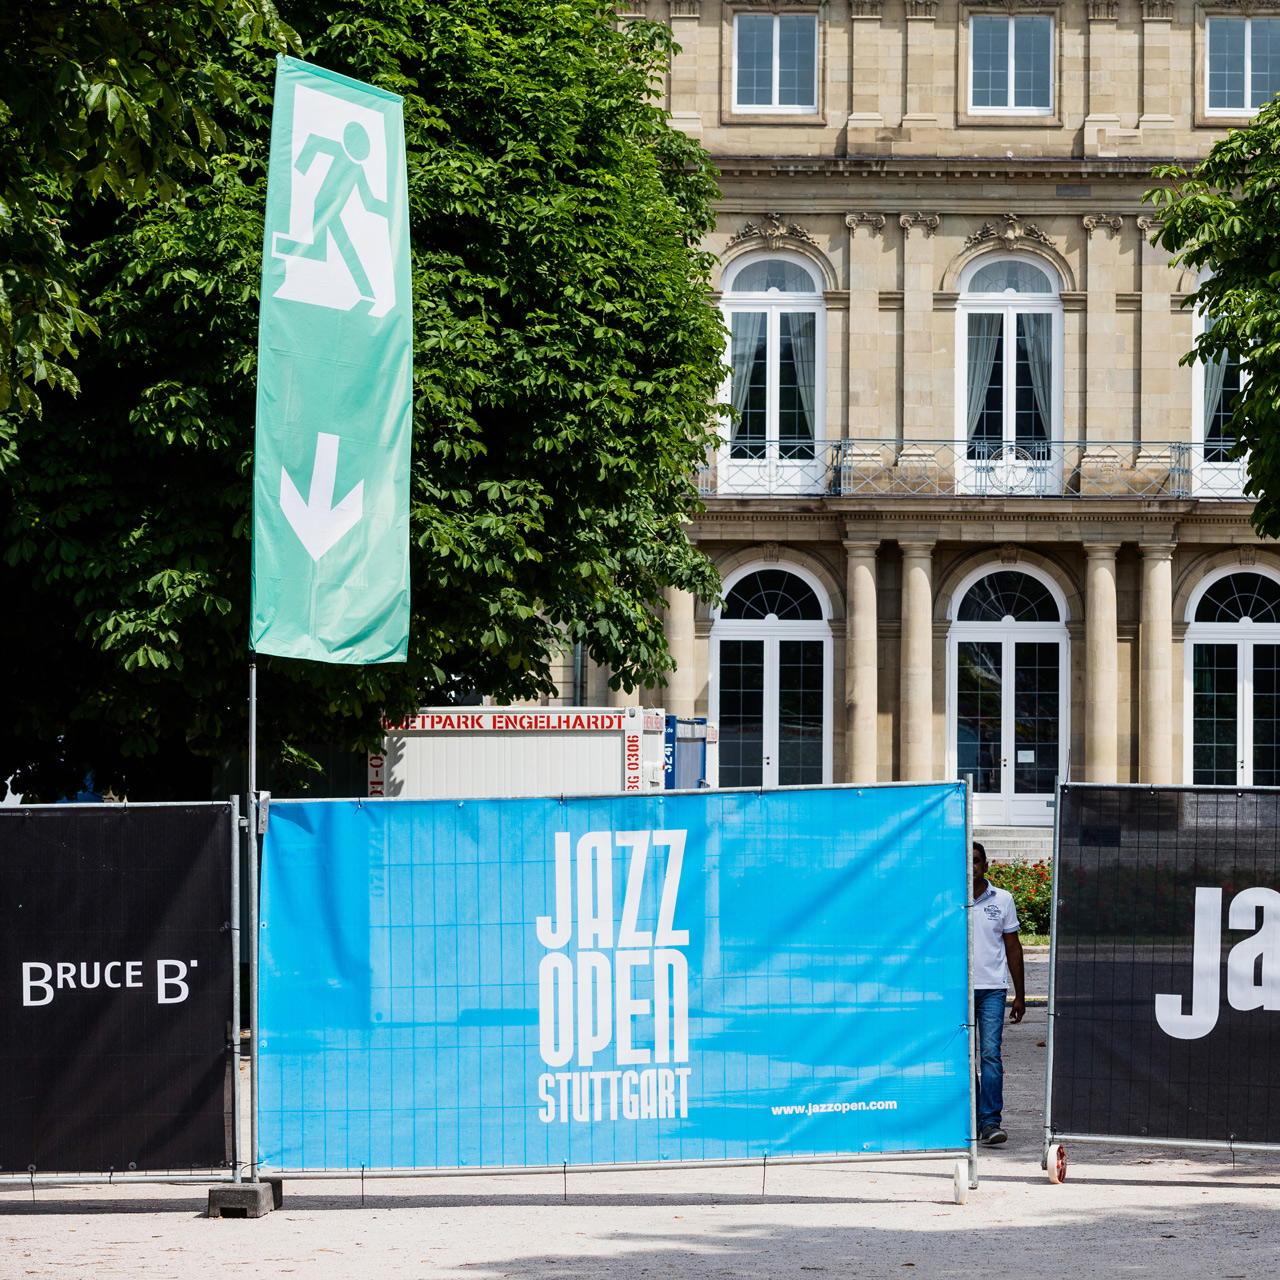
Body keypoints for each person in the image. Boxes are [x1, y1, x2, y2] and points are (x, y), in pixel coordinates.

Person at [971, 840, 1025, 1145]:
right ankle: (968, 1120)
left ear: (986, 865)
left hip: (992, 989)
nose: (972, 866)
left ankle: (991, 1122)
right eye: (967, 861)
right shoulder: (949, 898)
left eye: (977, 860)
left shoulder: (1002, 900)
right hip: (958, 990)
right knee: (963, 1058)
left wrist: (1020, 994)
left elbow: (1013, 947)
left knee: (990, 1055)